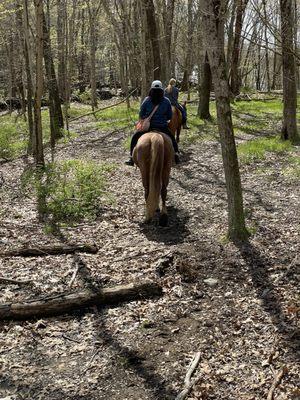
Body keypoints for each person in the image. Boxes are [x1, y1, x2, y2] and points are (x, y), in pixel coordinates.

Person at [125, 80, 180, 166]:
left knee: (135, 137)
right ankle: (176, 155)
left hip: (148, 127)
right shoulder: (166, 101)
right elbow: (169, 116)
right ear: (162, 90)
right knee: (172, 139)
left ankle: (131, 158)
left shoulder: (147, 100)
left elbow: (141, 113)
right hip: (162, 127)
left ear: (151, 89)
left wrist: (144, 119)